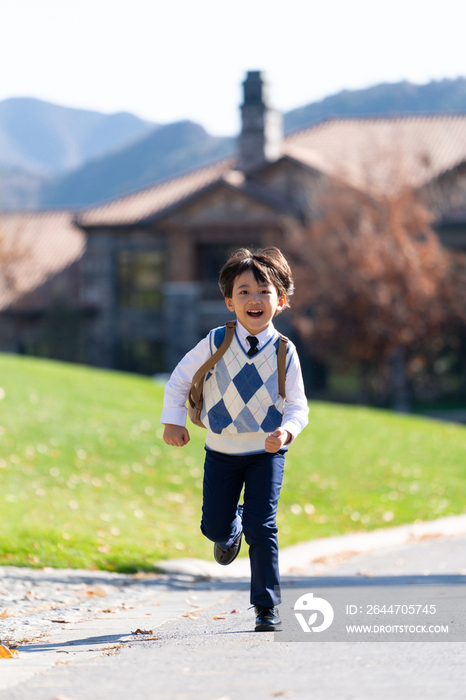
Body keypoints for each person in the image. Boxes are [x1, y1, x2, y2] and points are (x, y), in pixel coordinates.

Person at [161, 247, 309, 631]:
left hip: (266, 453)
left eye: (264, 291)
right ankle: (231, 528)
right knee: (214, 526)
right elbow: (179, 380)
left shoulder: (284, 352)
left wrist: (286, 431)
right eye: (244, 292)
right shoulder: (216, 341)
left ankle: (267, 607)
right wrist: (172, 421)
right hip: (222, 453)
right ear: (229, 301)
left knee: (265, 527)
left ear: (282, 300)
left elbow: (298, 407)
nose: (254, 300)